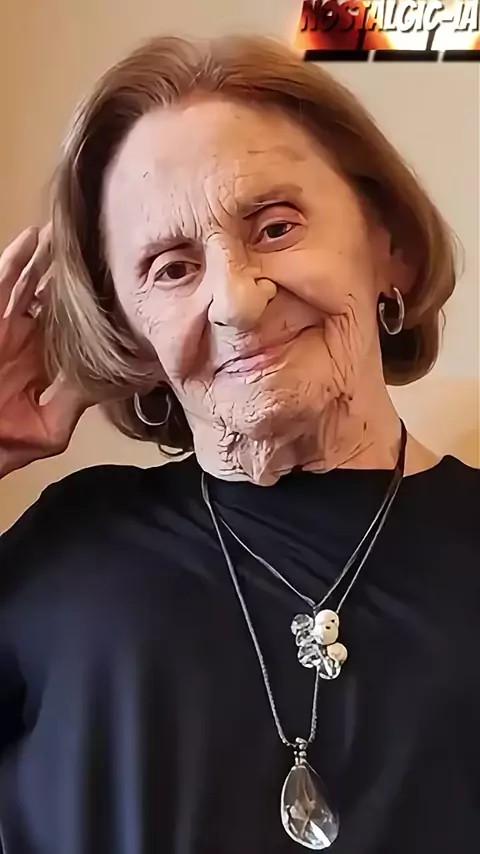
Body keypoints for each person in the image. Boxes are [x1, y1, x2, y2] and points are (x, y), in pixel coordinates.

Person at [0, 34, 478, 854]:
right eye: (171, 268)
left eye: (277, 227)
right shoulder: (66, 546)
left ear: (389, 247)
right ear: (130, 332)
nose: (238, 302)